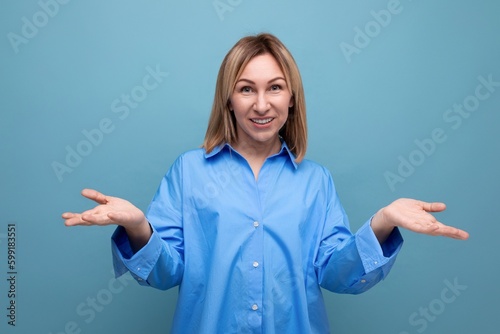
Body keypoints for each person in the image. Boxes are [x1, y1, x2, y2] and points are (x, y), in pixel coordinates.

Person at [62, 33, 469, 333]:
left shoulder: (316, 181)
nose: (261, 104)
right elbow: (166, 273)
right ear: (228, 99)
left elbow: (336, 274)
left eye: (274, 87)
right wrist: (138, 227)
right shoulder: (188, 172)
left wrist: (382, 221)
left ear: (292, 98)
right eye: (245, 89)